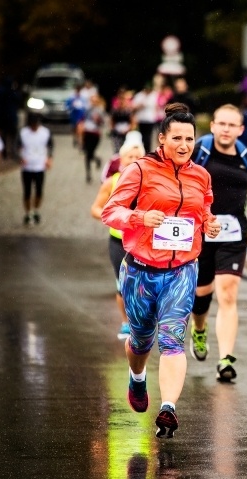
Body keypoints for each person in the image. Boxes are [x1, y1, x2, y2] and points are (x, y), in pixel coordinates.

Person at [101, 103, 222, 439]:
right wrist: (140, 217)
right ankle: (137, 378)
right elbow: (110, 212)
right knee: (141, 339)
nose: (184, 145)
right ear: (162, 139)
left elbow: (203, 211)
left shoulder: (201, 175)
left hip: (182, 270)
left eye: (190, 139)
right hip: (140, 271)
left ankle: (168, 408)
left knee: (172, 339)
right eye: (177, 138)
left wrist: (209, 224)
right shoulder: (140, 170)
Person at [188, 104, 247, 382]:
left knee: (228, 293)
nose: (226, 129)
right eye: (221, 123)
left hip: (233, 233)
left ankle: (225, 359)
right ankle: (199, 329)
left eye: (232, 125)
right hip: (200, 231)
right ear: (212, 126)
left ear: (240, 130)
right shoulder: (199, 151)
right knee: (201, 294)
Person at [90, 131, 145, 339]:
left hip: (142, 242)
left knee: (142, 283)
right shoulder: (112, 182)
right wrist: (113, 218)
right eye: (129, 157)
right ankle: (125, 323)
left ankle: (141, 322)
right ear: (121, 160)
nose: (133, 160)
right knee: (122, 283)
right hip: (118, 241)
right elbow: (96, 208)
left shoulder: (149, 183)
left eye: (137, 157)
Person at [16, 113, 53, 225]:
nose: (34, 127)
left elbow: (50, 145)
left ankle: (36, 209)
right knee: (27, 191)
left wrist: (49, 158)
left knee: (39, 191)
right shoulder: (23, 133)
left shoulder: (45, 132)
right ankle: (28, 213)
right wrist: (20, 158)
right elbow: (17, 147)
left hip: (39, 166)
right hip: (27, 167)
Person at [82, 94, 106, 183]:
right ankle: (88, 174)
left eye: (95, 101)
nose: (93, 103)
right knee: (87, 154)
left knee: (90, 153)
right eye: (92, 101)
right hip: (87, 133)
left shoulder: (100, 110)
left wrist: (98, 120)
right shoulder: (87, 109)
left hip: (95, 134)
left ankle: (97, 160)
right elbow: (82, 119)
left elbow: (103, 123)